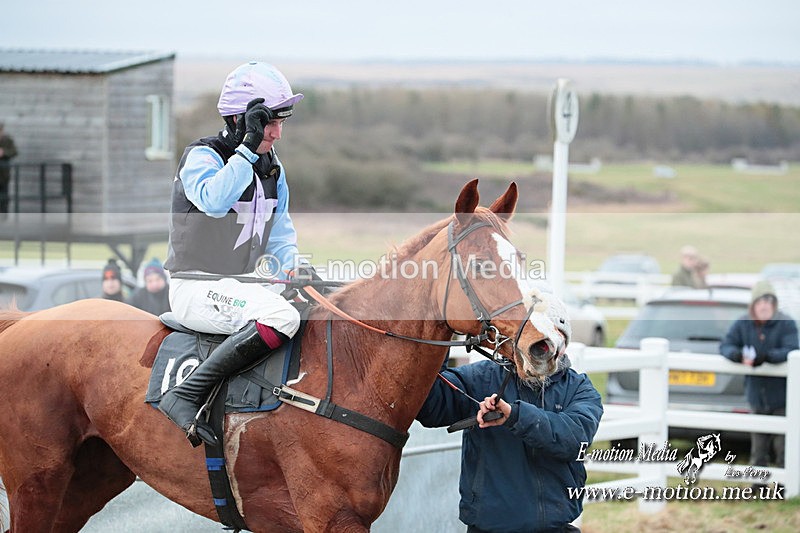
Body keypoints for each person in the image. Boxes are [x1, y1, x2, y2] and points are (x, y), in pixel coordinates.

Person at [161, 61, 310, 447]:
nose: (277, 133)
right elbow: (213, 200)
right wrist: (245, 149)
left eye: (281, 122)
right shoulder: (203, 156)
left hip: (242, 285)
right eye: (269, 122)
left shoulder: (273, 169)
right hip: (196, 286)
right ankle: (187, 394)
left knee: (317, 305)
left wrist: (292, 268)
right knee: (280, 317)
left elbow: (281, 234)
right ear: (244, 121)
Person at [416, 296, 604, 533]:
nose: (538, 349)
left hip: (555, 528)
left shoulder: (580, 389)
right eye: (533, 337)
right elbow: (430, 406)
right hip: (489, 528)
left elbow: (573, 439)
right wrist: (443, 331)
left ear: (563, 343)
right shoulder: (483, 378)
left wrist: (514, 416)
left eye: (547, 339)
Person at [719, 281, 799, 472]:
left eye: (768, 301)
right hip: (756, 394)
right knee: (758, 444)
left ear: (774, 304)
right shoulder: (743, 323)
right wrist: (737, 356)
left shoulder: (786, 323)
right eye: (760, 301)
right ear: (753, 305)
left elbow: (792, 349)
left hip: (782, 395)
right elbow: (726, 345)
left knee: (782, 444)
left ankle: (784, 485)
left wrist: (768, 357)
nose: (764, 305)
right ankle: (758, 484)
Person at [0, 121, 19, 218]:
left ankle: (3, 217)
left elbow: (14, 151)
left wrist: (4, 152)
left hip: (4, 175)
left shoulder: (7, 140)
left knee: (4, 196)